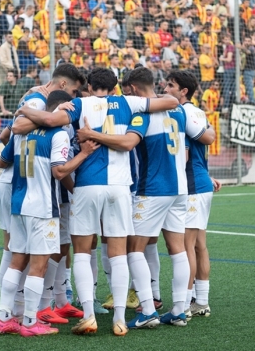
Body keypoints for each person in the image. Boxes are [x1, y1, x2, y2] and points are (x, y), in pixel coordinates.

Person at [15, 67, 180, 336]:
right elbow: (172, 101)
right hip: (119, 187)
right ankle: (118, 320)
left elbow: (50, 120)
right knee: (117, 253)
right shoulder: (129, 101)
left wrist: (24, 110)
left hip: (88, 185)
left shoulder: (78, 104)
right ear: (115, 88)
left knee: (81, 251)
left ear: (89, 87)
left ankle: (89, 316)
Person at [0, 91, 100, 337]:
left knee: (17, 261)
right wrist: (84, 154)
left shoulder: (20, 133)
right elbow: (59, 171)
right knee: (38, 266)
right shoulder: (58, 133)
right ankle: (30, 323)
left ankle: (4, 317)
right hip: (42, 208)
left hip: (18, 205)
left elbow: (2, 161)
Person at [164, 70, 219, 319]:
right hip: (201, 183)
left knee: (188, 246)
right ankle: (202, 301)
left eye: (170, 85)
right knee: (199, 246)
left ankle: (185, 303)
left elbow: (188, 153)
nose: (165, 89)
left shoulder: (182, 112)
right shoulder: (197, 111)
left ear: (183, 91)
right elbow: (209, 136)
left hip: (193, 186)